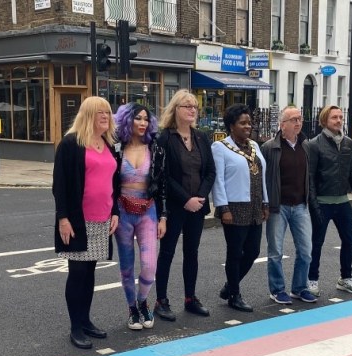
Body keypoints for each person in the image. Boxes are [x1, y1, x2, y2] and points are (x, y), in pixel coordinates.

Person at [52, 96, 120, 350]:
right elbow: (59, 185)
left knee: (90, 272)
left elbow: (114, 183)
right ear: (87, 115)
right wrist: (63, 218)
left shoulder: (108, 144)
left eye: (108, 112)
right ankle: (75, 327)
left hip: (102, 219)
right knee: (77, 273)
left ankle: (86, 320)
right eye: (100, 112)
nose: (105, 116)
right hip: (78, 221)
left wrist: (115, 212)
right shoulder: (71, 144)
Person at [154, 89, 216, 320]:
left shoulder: (201, 137)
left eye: (194, 107)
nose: (192, 110)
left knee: (192, 252)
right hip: (174, 207)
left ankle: (190, 298)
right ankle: (161, 301)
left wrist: (199, 197)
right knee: (167, 253)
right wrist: (185, 199)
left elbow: (210, 171)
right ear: (175, 110)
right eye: (187, 106)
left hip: (197, 206)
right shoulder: (165, 139)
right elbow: (163, 176)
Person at [112, 103, 167, 330]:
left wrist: (163, 216)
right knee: (126, 265)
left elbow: (162, 184)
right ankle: (132, 309)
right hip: (122, 212)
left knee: (149, 264)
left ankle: (143, 301)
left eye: (146, 119)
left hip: (148, 211)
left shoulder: (155, 149)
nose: (143, 123)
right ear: (127, 120)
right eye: (138, 118)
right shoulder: (116, 148)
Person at [213, 104, 269, 312]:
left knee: (253, 251)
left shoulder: (254, 145)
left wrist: (265, 202)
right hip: (234, 206)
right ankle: (235, 295)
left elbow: (261, 175)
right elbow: (218, 180)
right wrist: (223, 207)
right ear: (231, 126)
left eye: (249, 122)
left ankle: (230, 284)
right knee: (235, 252)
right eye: (242, 123)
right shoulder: (220, 148)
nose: (248, 126)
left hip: (255, 205)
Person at [261, 106, 317, 305]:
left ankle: (299, 288)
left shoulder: (306, 145)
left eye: (300, 119)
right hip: (278, 206)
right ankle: (277, 290)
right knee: (275, 251)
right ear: (282, 125)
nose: (298, 123)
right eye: (293, 119)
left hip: (300, 205)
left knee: (305, 250)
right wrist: (264, 204)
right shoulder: (270, 147)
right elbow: (263, 178)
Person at [308, 106, 352, 297]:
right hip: (323, 202)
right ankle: (312, 279)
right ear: (325, 121)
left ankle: (346, 278)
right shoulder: (314, 144)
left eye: (341, 117)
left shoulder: (348, 143)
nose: (339, 120)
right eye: (334, 117)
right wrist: (313, 203)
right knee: (317, 242)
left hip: (342, 202)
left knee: (349, 240)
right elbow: (310, 177)